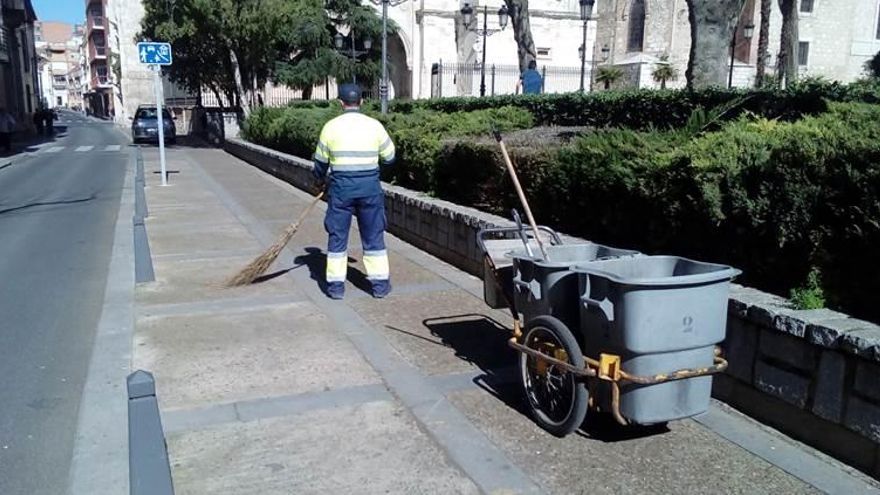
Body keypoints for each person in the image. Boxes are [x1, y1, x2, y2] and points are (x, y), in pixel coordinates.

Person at [312, 83, 396, 300]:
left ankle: (336, 288)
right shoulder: (375, 126)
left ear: (341, 103)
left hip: (341, 190)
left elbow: (320, 163)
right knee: (373, 237)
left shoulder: (330, 127)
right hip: (369, 189)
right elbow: (390, 157)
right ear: (362, 102)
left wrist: (320, 181)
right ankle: (379, 286)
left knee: (337, 237)